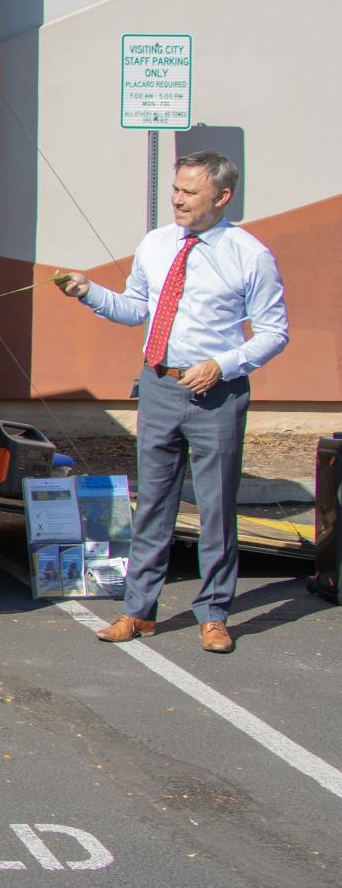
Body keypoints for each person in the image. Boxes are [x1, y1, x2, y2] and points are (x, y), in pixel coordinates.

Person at [56, 151, 288, 654]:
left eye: (189, 192)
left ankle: (214, 614)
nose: (177, 200)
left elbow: (274, 333)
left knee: (215, 508)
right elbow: (136, 308)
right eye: (176, 189)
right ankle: (138, 611)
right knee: (153, 505)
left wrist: (224, 365)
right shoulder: (157, 244)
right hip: (158, 385)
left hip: (216, 393)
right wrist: (89, 291)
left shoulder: (250, 255)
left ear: (222, 197)